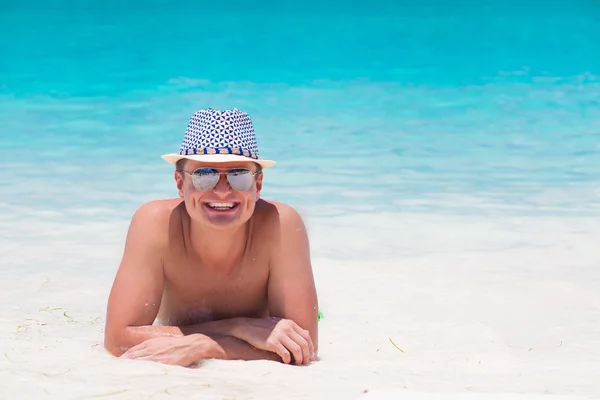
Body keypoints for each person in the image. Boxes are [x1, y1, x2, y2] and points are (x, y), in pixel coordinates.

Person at [103, 108, 319, 367]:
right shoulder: (155, 223)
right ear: (181, 184)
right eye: (205, 175)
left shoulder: (281, 225)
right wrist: (239, 327)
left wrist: (206, 345)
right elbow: (118, 338)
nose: (222, 192)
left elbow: (303, 348)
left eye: (238, 175)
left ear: (258, 185)